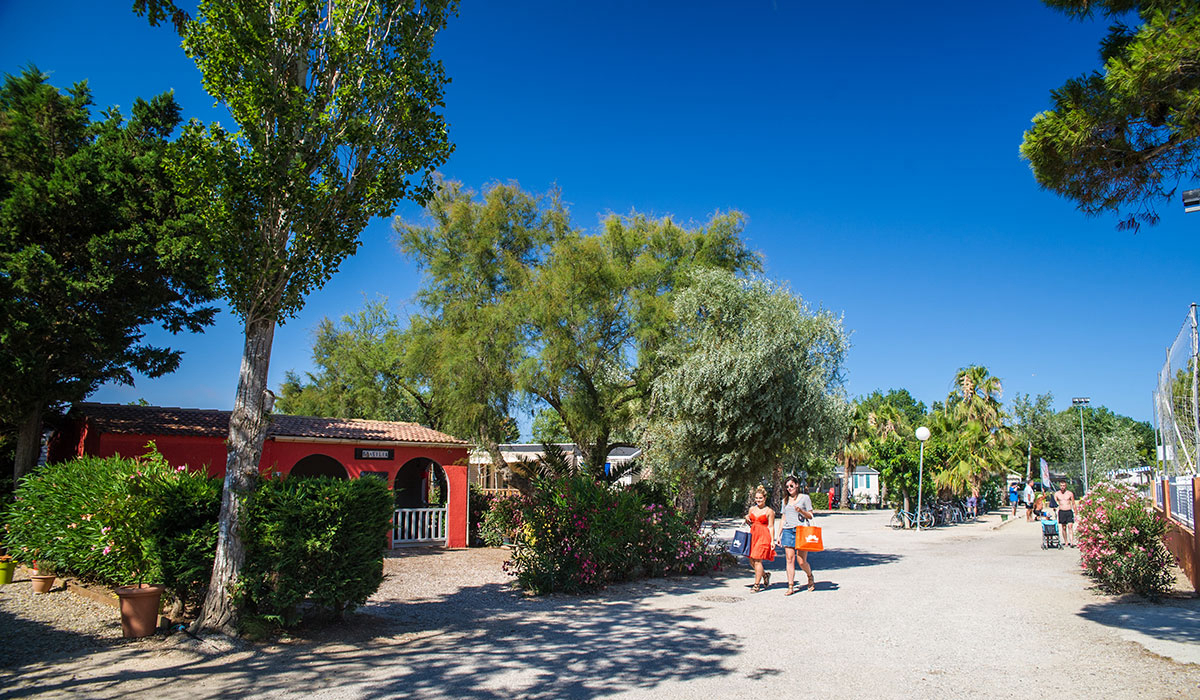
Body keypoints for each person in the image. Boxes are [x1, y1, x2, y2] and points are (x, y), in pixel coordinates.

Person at [774, 476, 816, 595]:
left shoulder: (805, 498)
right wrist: (779, 534)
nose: (789, 488)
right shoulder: (785, 500)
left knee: (801, 561)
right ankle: (790, 586)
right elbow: (783, 517)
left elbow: (810, 515)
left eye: (791, 486)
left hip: (801, 530)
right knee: (789, 559)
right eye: (787, 487)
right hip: (788, 530)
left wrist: (801, 511)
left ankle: (809, 576)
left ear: (797, 485)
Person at [745, 485, 776, 592]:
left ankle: (756, 584)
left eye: (760, 498)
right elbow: (750, 523)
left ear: (765, 498)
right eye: (757, 498)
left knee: (758, 560)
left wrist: (772, 540)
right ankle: (765, 575)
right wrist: (746, 519)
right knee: (751, 560)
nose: (758, 500)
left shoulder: (769, 511)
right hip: (753, 535)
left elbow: (771, 526)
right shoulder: (752, 509)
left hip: (763, 536)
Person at [1055, 481, 1077, 547]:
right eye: (1061, 485)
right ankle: (1066, 541)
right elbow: (1055, 503)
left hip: (1069, 511)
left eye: (1064, 485)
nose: (1062, 487)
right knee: (1063, 527)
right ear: (1059, 486)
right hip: (1062, 511)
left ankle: (1072, 541)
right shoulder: (1057, 494)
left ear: (1066, 486)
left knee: (1070, 526)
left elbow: (1073, 503)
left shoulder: (1069, 493)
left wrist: (1076, 512)